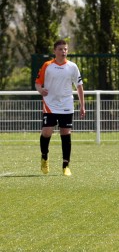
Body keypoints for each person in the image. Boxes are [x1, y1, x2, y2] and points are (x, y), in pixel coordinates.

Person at [35, 39, 85, 176]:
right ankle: (44, 157)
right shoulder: (47, 65)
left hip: (66, 105)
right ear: (54, 51)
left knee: (65, 133)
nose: (63, 51)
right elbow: (37, 83)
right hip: (50, 104)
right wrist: (41, 90)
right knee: (46, 132)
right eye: (60, 49)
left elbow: (79, 86)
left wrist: (82, 105)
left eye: (65, 49)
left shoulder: (73, 67)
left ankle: (66, 165)